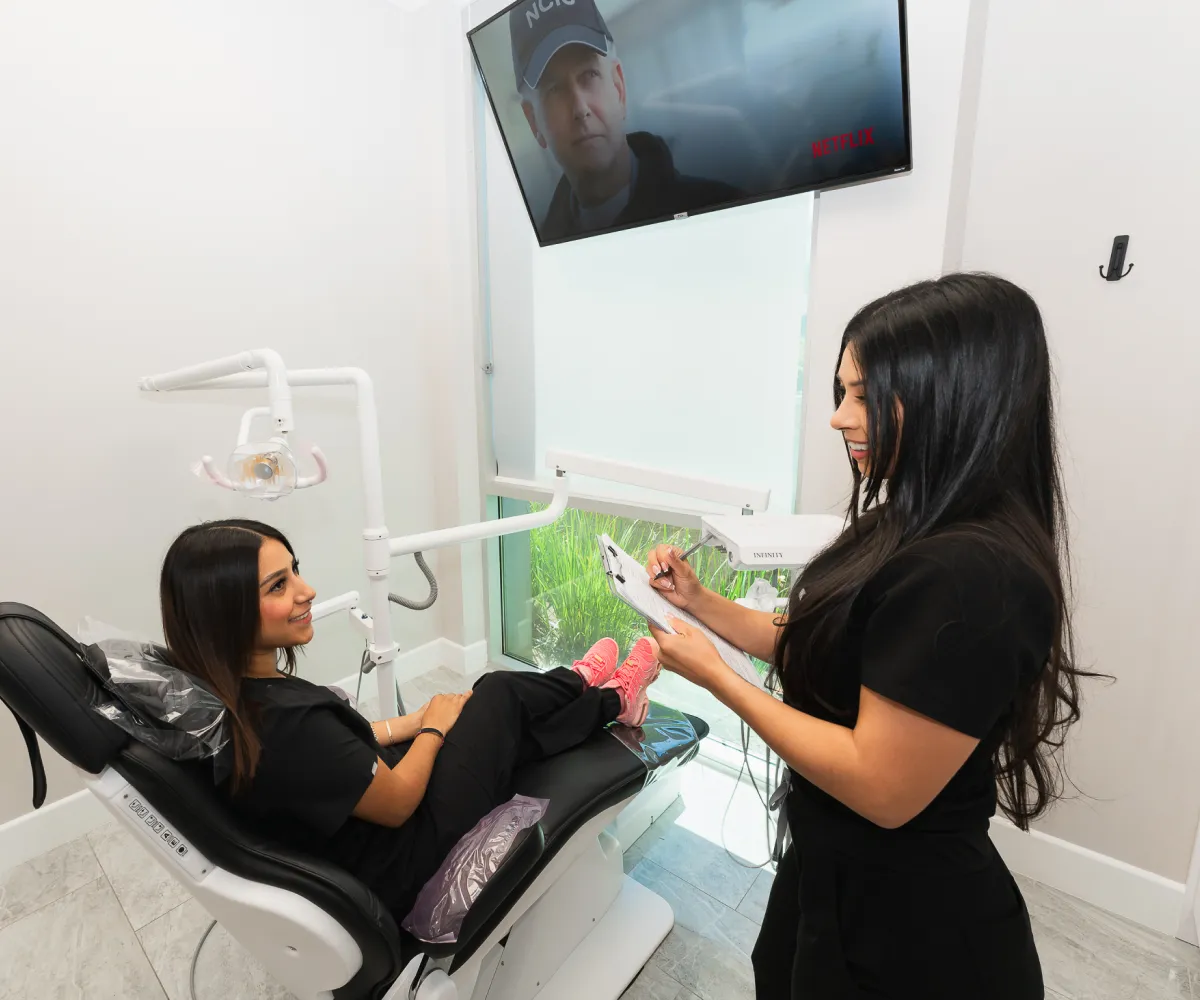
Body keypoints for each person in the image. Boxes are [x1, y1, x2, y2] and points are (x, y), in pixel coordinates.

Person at [643, 273, 1094, 999]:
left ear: (949, 395)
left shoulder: (971, 574)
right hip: (829, 869)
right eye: (840, 392)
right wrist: (700, 602)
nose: (838, 418)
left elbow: (883, 787)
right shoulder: (907, 520)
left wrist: (717, 678)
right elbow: (815, 644)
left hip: (910, 928)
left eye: (861, 394)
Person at [158, 519, 661, 926]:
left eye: (295, 572)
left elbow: (333, 755)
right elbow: (397, 802)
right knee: (497, 694)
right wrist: (433, 729)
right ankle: (606, 695)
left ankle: (577, 688)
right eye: (278, 585)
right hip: (410, 854)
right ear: (225, 613)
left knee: (494, 716)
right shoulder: (284, 723)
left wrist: (409, 723)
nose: (306, 590)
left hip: (368, 840)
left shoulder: (238, 698)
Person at [509, 0, 742, 242]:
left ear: (619, 88)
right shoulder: (539, 257)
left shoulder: (726, 213)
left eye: (589, 75)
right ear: (533, 122)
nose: (580, 108)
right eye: (555, 89)